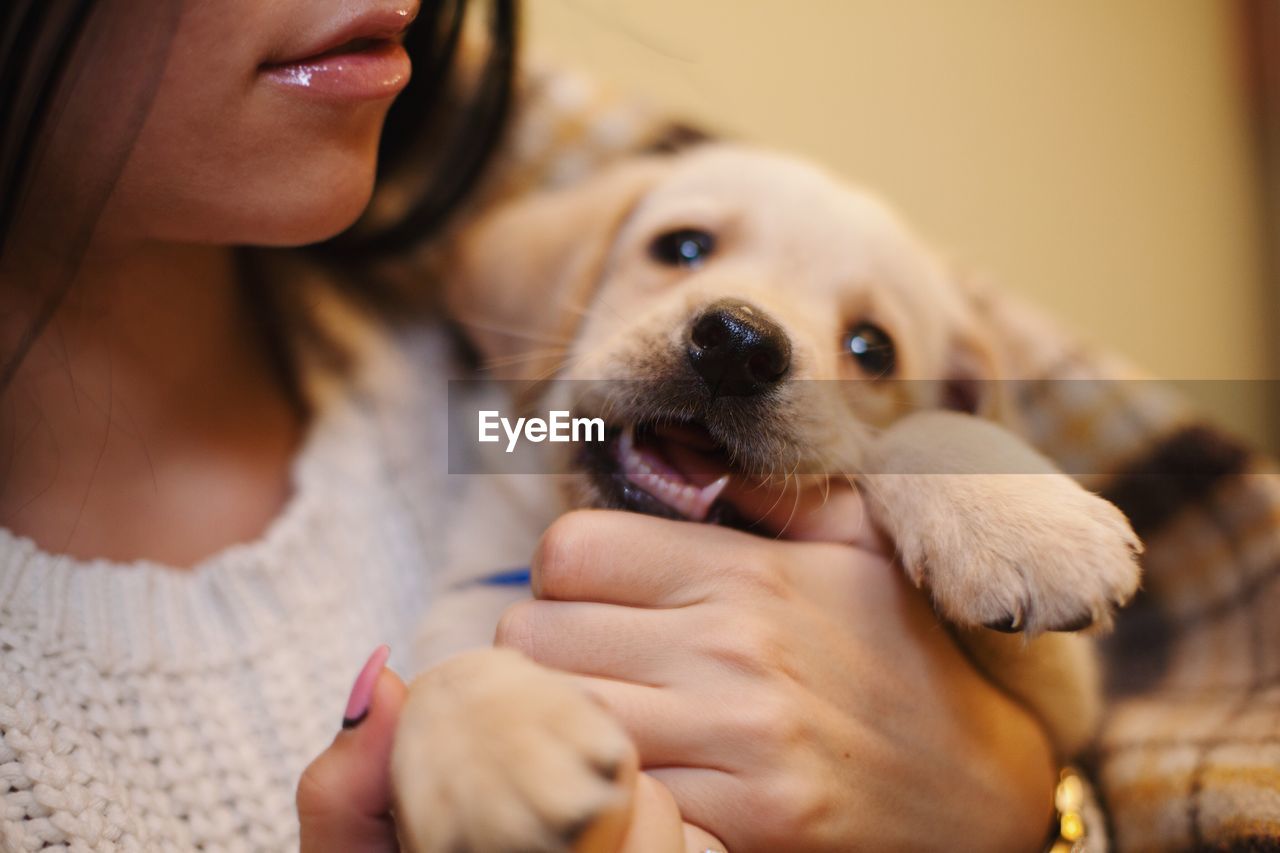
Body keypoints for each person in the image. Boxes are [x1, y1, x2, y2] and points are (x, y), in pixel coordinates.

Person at [1, 2, 1275, 852]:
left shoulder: (457, 413)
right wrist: (460, 736)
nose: (744, 331)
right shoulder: (496, 431)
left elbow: (1051, 657)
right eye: (681, 249)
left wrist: (1011, 802)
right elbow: (467, 661)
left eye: (870, 347)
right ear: (568, 278)